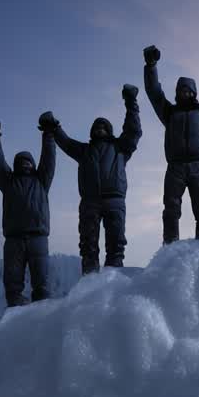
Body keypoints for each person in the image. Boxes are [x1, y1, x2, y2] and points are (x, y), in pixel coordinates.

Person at [42, 85, 142, 275]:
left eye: (104, 126)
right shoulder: (83, 150)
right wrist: (54, 128)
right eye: (97, 127)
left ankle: (113, 283)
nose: (100, 129)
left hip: (115, 201)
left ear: (109, 130)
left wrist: (131, 102)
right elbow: (66, 142)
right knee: (88, 246)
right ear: (92, 131)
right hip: (90, 202)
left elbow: (133, 130)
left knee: (116, 245)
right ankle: (90, 282)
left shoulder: (121, 147)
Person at [143, 44, 199, 243]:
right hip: (175, 167)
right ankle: (170, 245)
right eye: (182, 90)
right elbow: (154, 93)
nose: (185, 93)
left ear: (194, 93)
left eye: (189, 91)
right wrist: (151, 66)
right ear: (177, 93)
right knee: (171, 209)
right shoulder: (169, 113)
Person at [0, 119, 56, 306]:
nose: (25, 165)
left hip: (38, 238)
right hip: (14, 239)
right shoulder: (8, 182)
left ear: (33, 164)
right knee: (13, 287)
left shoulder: (42, 180)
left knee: (41, 286)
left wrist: (48, 134)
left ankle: (42, 319)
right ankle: (17, 323)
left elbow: (49, 159)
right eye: (21, 162)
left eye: (28, 162)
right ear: (16, 165)